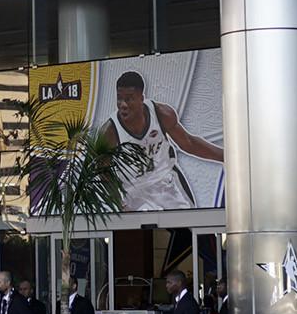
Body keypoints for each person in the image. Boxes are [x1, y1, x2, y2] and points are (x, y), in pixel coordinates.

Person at [94, 69, 225, 212]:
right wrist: (120, 204)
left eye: (129, 99)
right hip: (133, 192)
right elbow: (104, 173)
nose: (123, 104)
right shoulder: (109, 132)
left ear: (141, 98)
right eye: (119, 98)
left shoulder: (161, 114)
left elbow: (189, 143)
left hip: (166, 181)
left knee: (190, 223)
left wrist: (226, 156)